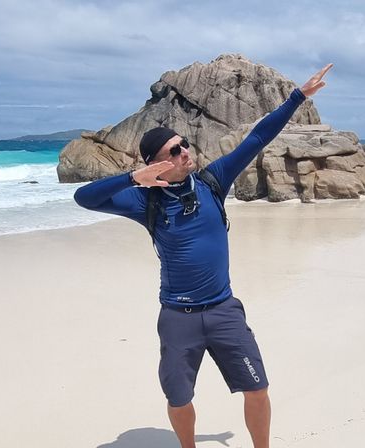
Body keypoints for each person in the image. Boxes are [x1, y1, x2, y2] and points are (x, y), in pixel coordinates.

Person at [74, 63, 332, 448]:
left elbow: (257, 137)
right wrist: (132, 179)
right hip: (178, 317)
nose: (185, 152)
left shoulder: (212, 182)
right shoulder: (144, 201)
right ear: (156, 163)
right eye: (174, 151)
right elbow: (83, 198)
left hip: (224, 310)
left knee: (257, 388)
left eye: (184, 145)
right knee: (179, 398)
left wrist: (298, 97)